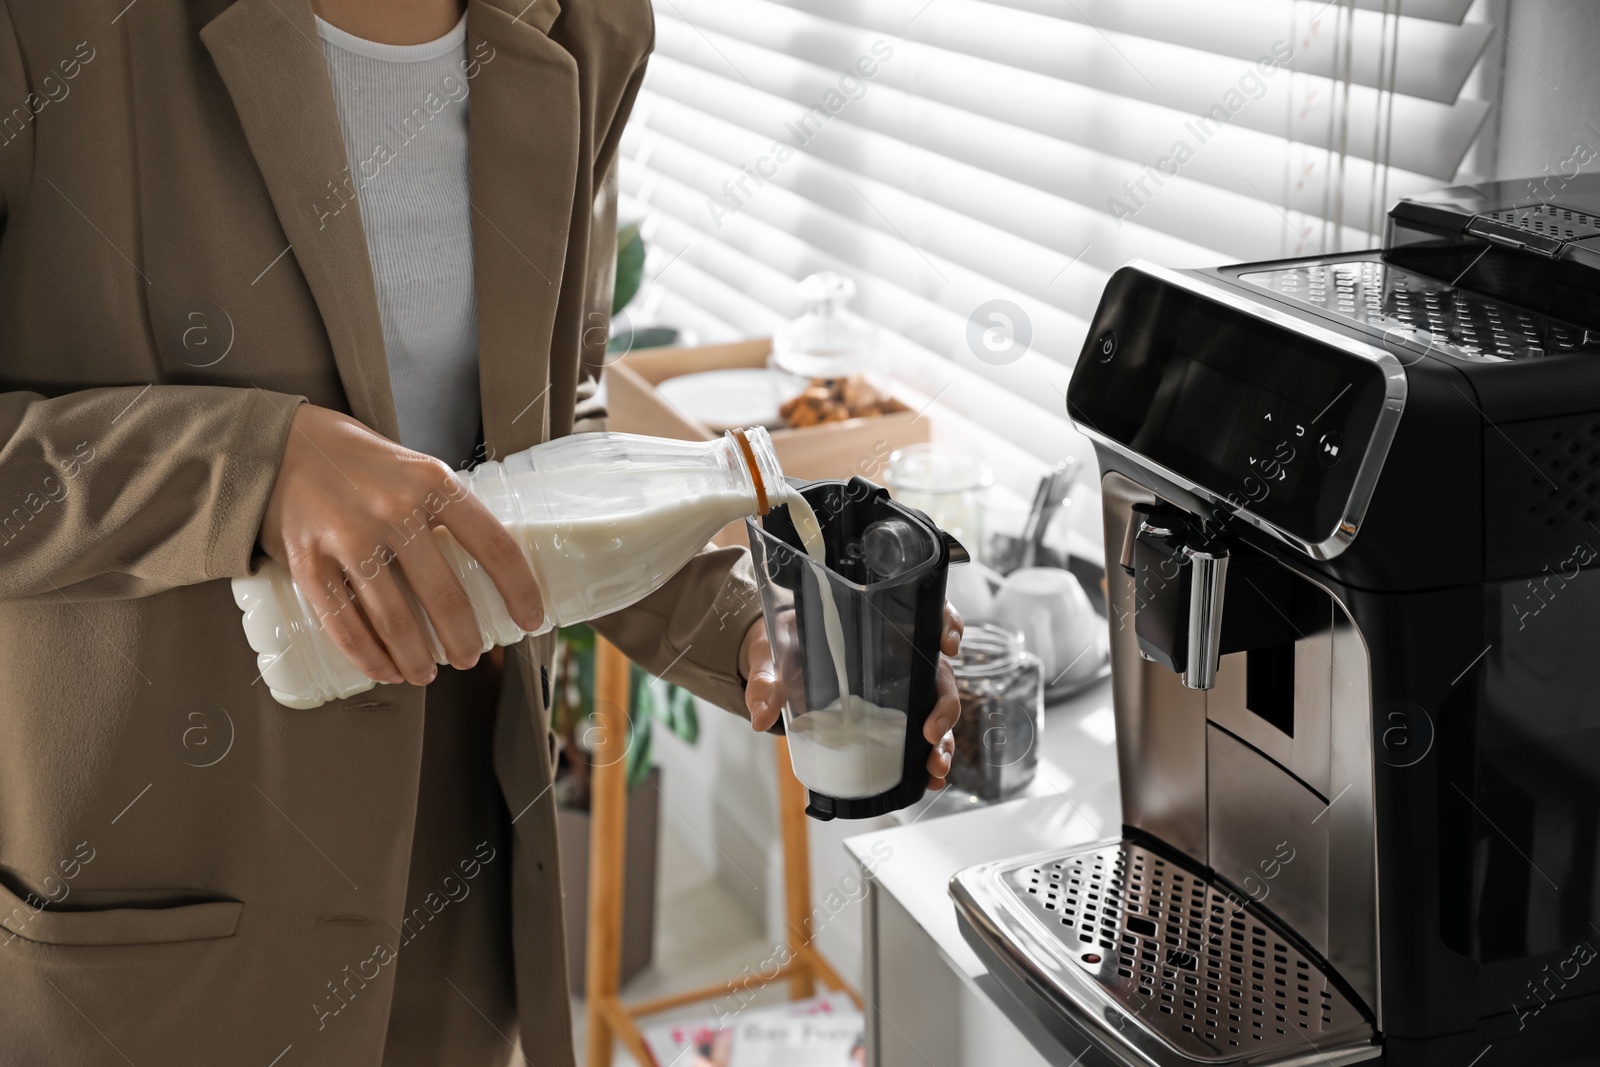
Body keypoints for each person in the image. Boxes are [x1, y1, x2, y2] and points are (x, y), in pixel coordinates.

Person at [0, 1, 963, 1064]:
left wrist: (746, 630)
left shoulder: (591, 26)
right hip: (155, 934)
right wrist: (245, 465)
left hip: (457, 908)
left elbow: (537, 444)